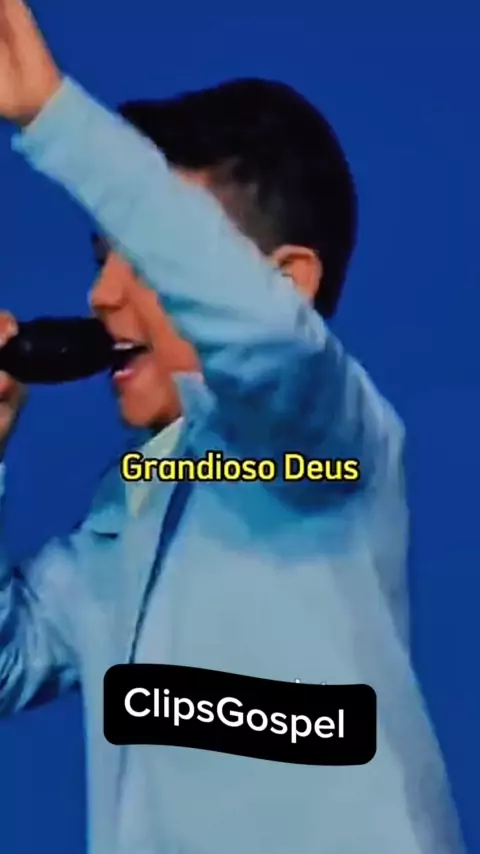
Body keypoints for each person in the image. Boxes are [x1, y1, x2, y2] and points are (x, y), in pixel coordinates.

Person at [0, 2, 465, 853]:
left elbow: (257, 333)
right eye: (102, 256)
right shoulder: (131, 505)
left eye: (149, 257)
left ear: (288, 284)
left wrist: (56, 121)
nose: (102, 294)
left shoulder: (322, 436)